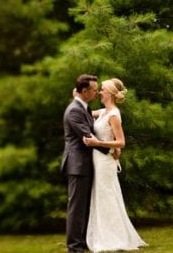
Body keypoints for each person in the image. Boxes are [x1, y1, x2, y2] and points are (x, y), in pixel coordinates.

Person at [80, 78, 147, 251]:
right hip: (98, 160)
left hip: (105, 163)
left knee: (107, 197)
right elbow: (85, 112)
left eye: (102, 89)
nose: (100, 92)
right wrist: (78, 98)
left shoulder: (114, 115)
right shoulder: (103, 112)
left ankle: (113, 238)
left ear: (109, 93)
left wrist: (98, 144)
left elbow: (121, 142)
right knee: (102, 196)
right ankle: (104, 234)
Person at [61, 74, 106, 252]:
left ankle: (83, 242)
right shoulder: (74, 110)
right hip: (77, 165)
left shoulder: (83, 107)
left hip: (84, 165)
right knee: (76, 208)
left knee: (83, 207)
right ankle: (74, 247)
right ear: (85, 91)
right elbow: (87, 136)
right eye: (95, 90)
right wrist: (111, 149)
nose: (97, 93)